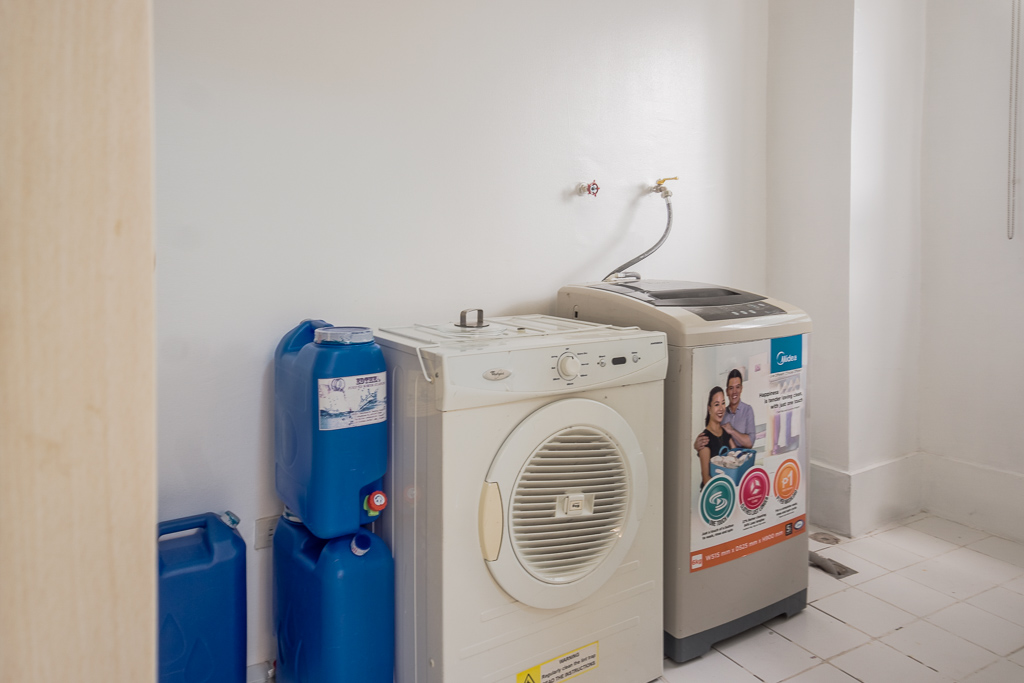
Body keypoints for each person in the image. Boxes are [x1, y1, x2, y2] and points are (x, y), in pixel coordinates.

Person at [694, 368, 756, 453]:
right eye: (731, 388)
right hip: (723, 458)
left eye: (737, 387)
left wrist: (732, 431)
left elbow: (750, 443)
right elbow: (711, 436)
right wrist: (697, 446)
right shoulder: (721, 414)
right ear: (727, 391)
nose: (734, 392)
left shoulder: (748, 410)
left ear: (741, 388)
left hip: (745, 460)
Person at [697, 386, 733, 488]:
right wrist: (724, 491)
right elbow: (706, 478)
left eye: (723, 403)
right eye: (717, 404)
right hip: (713, 493)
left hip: (728, 489)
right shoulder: (704, 439)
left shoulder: (726, 433)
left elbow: (736, 459)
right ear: (709, 408)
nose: (721, 408)